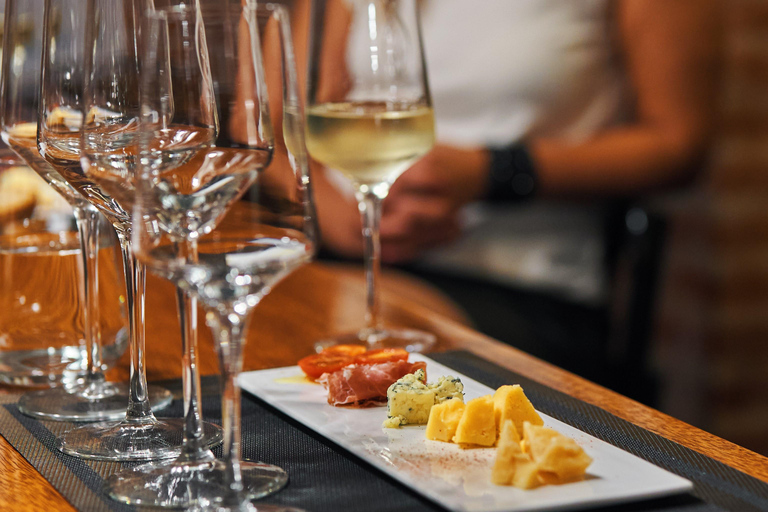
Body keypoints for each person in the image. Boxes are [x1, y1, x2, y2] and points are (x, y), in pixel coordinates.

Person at [297, 0, 720, 403]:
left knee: (330, 368)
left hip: (515, 285)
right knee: (277, 348)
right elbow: (287, 112)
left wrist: (496, 172)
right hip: (351, 264)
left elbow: (679, 145)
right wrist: (336, 215)